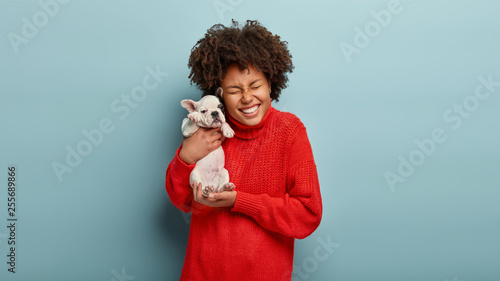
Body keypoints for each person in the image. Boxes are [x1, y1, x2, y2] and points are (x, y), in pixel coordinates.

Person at [165, 20, 323, 281]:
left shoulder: (290, 131)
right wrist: (186, 158)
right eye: (235, 90)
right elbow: (181, 201)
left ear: (271, 83)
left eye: (255, 85)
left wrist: (240, 201)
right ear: (220, 94)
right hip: (202, 273)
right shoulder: (207, 130)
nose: (247, 97)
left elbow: (307, 214)